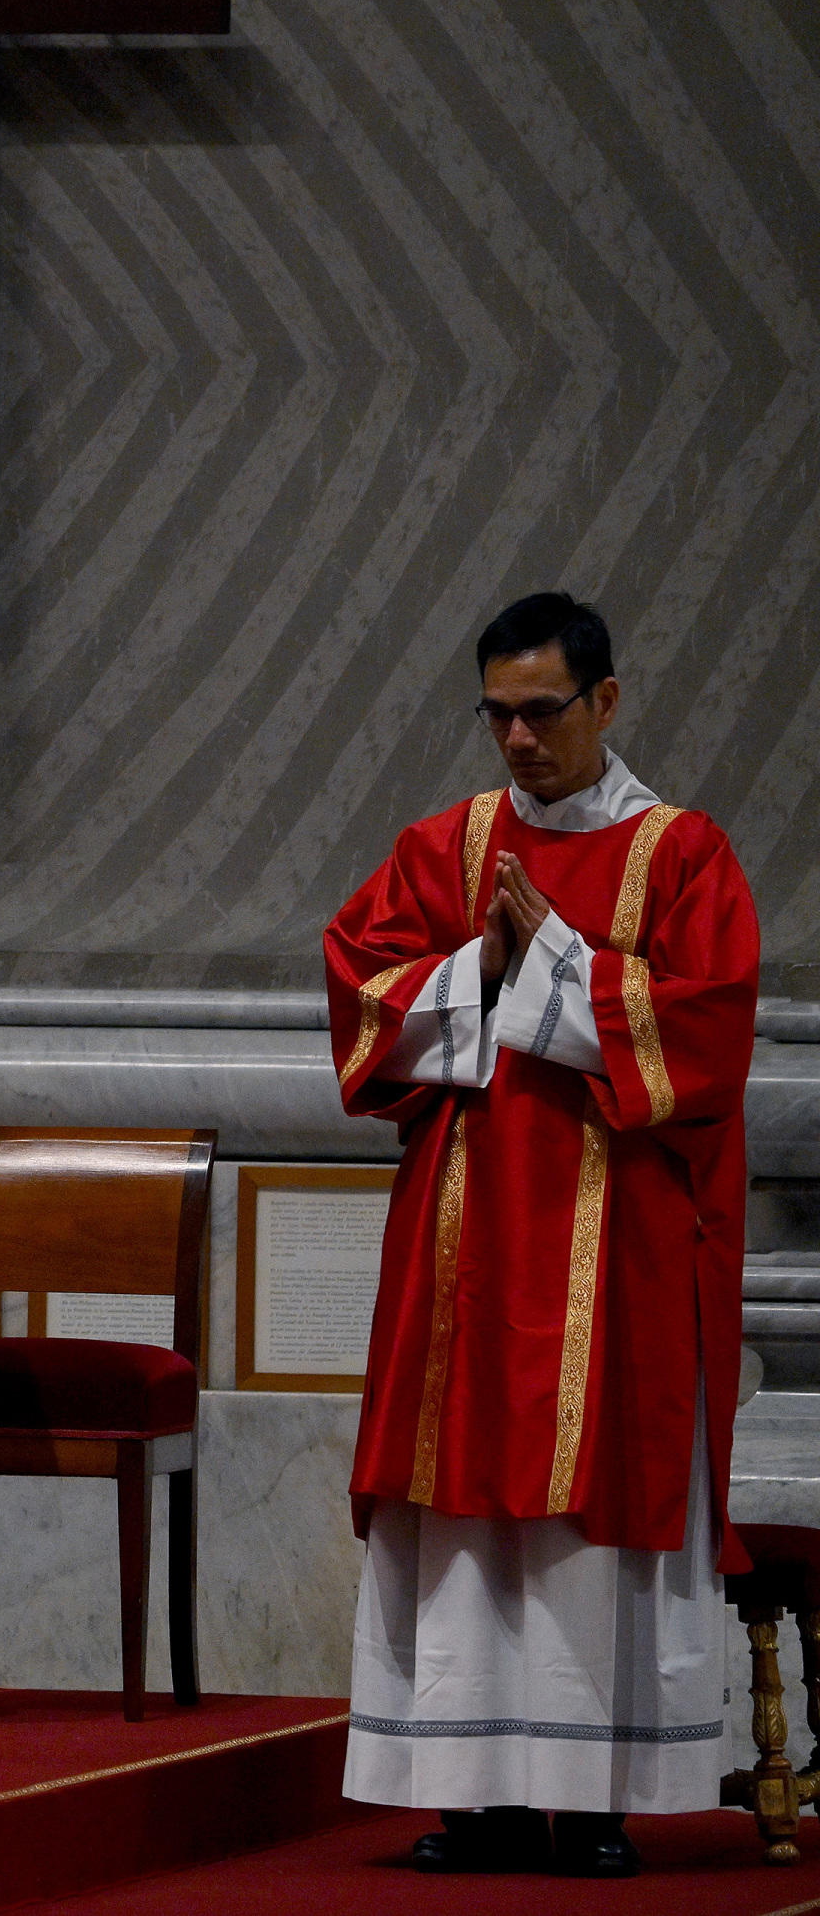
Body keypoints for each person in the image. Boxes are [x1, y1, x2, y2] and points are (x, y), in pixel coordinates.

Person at [326, 592, 756, 1878]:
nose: (516, 739)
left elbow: (711, 1030)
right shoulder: (443, 847)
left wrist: (556, 960)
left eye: (543, 711)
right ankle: (476, 1795)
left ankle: (599, 1791)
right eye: (497, 713)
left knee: (590, 1510)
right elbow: (360, 978)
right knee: (462, 1515)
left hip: (614, 1245)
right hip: (464, 1241)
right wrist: (484, 970)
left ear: (606, 702)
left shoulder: (682, 854)